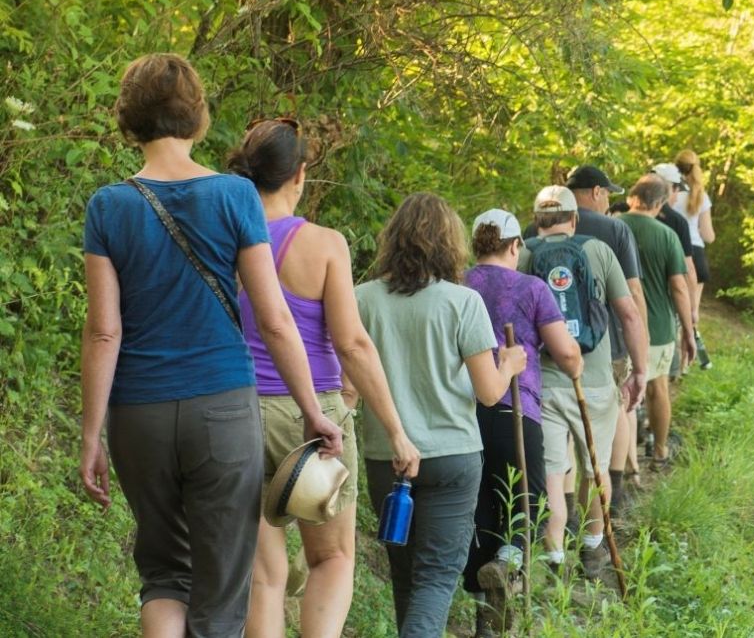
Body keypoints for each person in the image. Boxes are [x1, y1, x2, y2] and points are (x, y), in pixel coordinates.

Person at [80, 53, 343, 638]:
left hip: (137, 413)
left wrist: (91, 434)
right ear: (197, 116)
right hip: (222, 410)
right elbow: (274, 321)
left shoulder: (109, 206)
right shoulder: (234, 196)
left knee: (167, 576)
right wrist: (311, 410)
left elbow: (104, 331)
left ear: (129, 120)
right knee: (223, 589)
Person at [226, 119, 421, 638]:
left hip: (235, 414)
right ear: (300, 174)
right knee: (331, 558)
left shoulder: (222, 239)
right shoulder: (323, 244)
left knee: (263, 576)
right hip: (313, 419)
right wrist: (396, 430)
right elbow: (352, 344)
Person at [357, 194, 527, 638]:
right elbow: (490, 393)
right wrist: (509, 364)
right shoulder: (462, 302)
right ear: (449, 244)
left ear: (392, 240)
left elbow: (348, 382)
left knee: (404, 572)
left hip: (385, 455)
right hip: (452, 455)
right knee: (436, 577)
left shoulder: (362, 300)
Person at [463, 209, 583, 635]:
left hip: (465, 412)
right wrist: (577, 364)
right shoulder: (531, 288)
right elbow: (565, 353)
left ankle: (484, 615)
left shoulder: (458, 284)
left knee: (480, 506)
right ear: (516, 246)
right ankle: (508, 562)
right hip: (518, 407)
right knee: (529, 500)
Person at [519, 186, 647, 580]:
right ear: (573, 219)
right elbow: (627, 314)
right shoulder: (598, 251)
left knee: (555, 473)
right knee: (596, 468)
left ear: (537, 219)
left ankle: (555, 557)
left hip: (545, 384)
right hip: (593, 380)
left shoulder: (522, 254)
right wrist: (639, 371)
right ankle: (593, 550)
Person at [562, 165, 650, 516]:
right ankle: (614, 492)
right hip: (607, 343)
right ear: (596, 192)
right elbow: (633, 290)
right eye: (607, 194)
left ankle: (565, 509)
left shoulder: (538, 228)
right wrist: (639, 341)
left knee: (564, 428)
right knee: (611, 415)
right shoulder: (615, 229)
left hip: (553, 348)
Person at [619, 175, 697, 470]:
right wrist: (689, 331)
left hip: (617, 326)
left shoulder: (614, 225)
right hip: (658, 326)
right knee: (657, 388)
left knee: (620, 396)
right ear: (661, 202)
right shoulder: (666, 235)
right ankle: (660, 452)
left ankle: (623, 464)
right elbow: (679, 287)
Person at [650, 163, 698, 380]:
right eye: (676, 188)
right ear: (667, 187)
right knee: (660, 375)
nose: (677, 195)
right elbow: (687, 269)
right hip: (664, 303)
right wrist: (692, 308)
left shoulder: (621, 211)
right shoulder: (677, 222)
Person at [674, 150, 715, 368]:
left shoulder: (670, 194)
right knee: (690, 313)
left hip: (672, 252)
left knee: (669, 309)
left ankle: (667, 362)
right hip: (696, 255)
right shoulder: (701, 196)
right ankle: (684, 366)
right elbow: (708, 236)